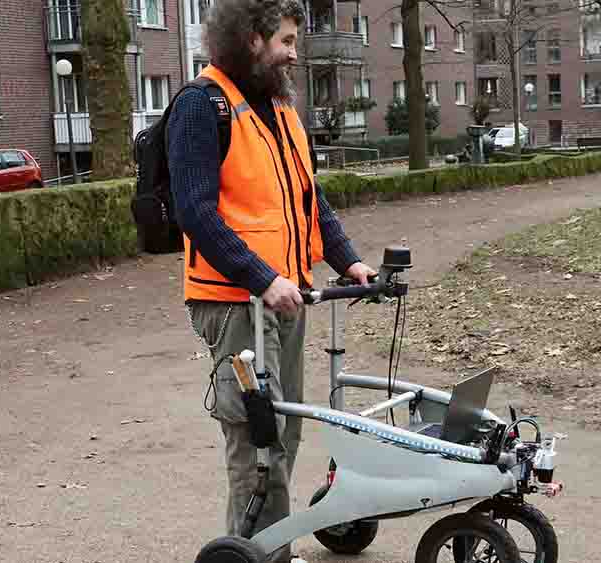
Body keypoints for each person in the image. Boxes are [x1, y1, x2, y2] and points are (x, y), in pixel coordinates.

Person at [165, 0, 376, 561]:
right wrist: (261, 279)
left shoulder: (279, 109)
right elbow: (196, 212)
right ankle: (259, 555)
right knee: (256, 440)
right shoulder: (200, 106)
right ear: (252, 39)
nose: (293, 53)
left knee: (285, 434)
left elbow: (310, 198)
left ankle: (266, 547)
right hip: (236, 303)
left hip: (286, 296)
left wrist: (348, 262)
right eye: (284, 41)